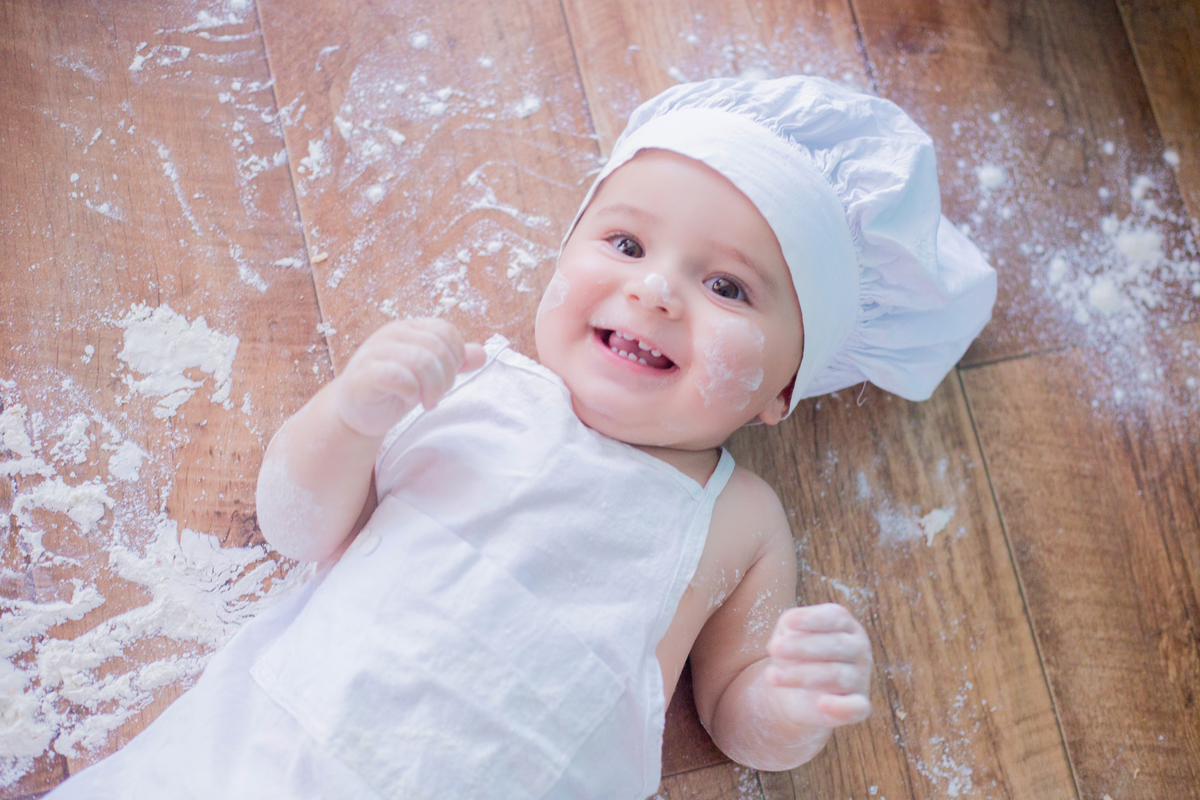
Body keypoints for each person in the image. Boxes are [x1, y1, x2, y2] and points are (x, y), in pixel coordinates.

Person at [48, 75, 996, 799]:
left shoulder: (739, 521)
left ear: (784, 388)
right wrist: (349, 413)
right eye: (626, 244)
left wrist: (789, 704)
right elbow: (297, 527)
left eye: (727, 287)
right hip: (254, 765)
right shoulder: (466, 386)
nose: (656, 290)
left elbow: (733, 715)